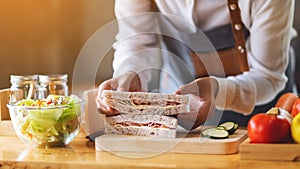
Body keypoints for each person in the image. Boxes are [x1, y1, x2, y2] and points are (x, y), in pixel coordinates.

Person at [97, 0, 297, 130]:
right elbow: (137, 42)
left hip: (265, 117)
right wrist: (129, 73)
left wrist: (218, 91)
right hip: (181, 107)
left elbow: (267, 75)